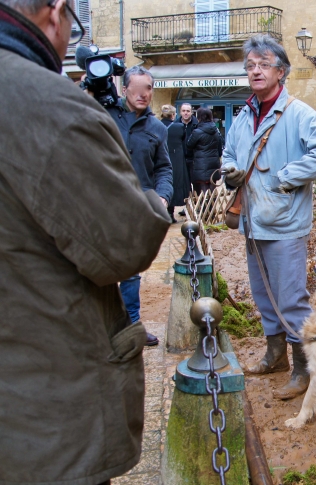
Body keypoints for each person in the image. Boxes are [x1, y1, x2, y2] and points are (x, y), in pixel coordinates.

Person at [0, 0, 170, 481]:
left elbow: (162, 165)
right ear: (55, 13)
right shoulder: (44, 101)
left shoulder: (150, 126)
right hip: (40, 407)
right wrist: (152, 208)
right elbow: (122, 245)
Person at [222, 34, 316, 400]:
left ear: (282, 72)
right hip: (253, 221)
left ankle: (304, 367)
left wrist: (283, 178)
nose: (255, 71)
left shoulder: (298, 113)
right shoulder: (244, 115)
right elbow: (229, 151)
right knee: (263, 294)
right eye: (250, 66)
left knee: (289, 297)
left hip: (285, 224)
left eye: (264, 64)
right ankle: (275, 356)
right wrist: (229, 169)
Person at [105, 65, 173, 347]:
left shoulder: (157, 128)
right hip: (103, 203)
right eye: (137, 89)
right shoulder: (105, 116)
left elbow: (164, 168)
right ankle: (103, 324)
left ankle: (132, 324)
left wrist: (162, 195)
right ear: (124, 90)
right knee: (102, 266)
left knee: (131, 269)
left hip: (138, 207)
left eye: (148, 89)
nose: (143, 94)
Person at [187, 107, 223, 194]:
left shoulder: (197, 132)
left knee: (203, 193)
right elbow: (220, 147)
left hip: (201, 164)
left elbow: (189, 145)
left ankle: (204, 208)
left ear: (199, 117)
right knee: (212, 190)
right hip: (214, 163)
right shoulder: (216, 130)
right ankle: (211, 207)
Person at [167, 119, 191, 221]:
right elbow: (185, 143)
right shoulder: (179, 127)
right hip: (177, 159)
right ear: (173, 115)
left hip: (163, 158)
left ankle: (168, 213)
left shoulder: (157, 125)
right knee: (176, 184)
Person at [176, 102, 198, 194]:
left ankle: (197, 206)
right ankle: (187, 205)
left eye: (188, 111)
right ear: (180, 112)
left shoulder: (197, 124)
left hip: (194, 159)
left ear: (191, 112)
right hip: (180, 160)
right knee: (184, 186)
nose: (185, 113)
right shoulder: (175, 125)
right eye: (183, 111)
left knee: (196, 184)